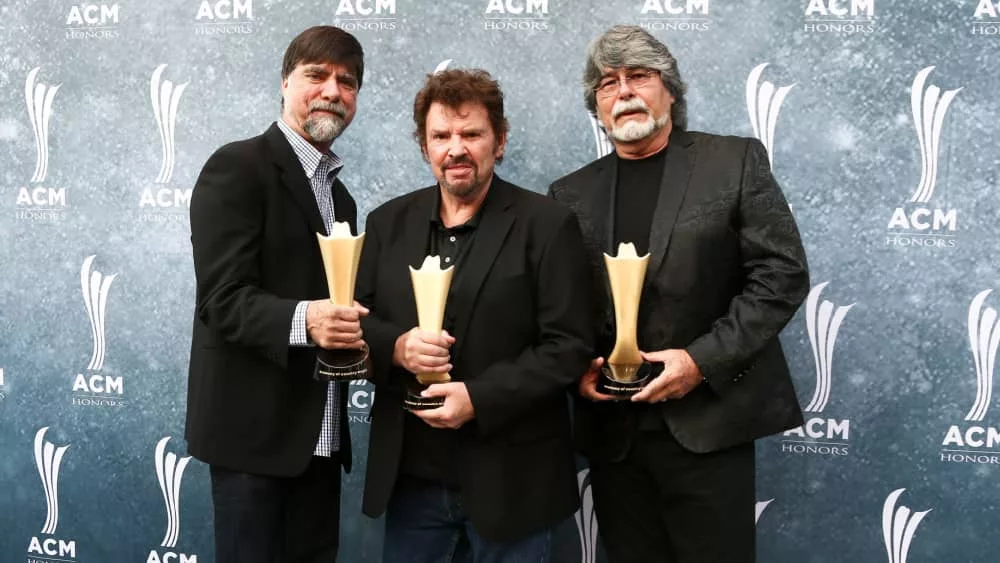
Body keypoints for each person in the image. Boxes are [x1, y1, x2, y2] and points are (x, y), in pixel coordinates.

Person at [549, 25, 810, 563]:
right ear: (596, 107)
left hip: (709, 427)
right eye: (606, 83)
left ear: (670, 89)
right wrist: (575, 369)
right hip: (615, 440)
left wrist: (698, 362)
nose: (623, 91)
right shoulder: (568, 194)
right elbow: (561, 306)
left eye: (638, 76)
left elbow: (780, 275)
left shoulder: (732, 162)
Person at [356, 68, 594, 563]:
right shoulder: (385, 224)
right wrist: (397, 347)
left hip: (515, 485)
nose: (455, 148)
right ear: (425, 146)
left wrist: (478, 399)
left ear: (500, 141)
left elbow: (568, 346)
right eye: (441, 135)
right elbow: (358, 324)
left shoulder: (547, 225)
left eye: (471, 134)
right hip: (411, 487)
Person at [185, 25, 368, 563]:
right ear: (286, 83)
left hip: (322, 441)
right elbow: (221, 300)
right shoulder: (237, 167)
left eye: (347, 81)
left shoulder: (344, 201)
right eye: (317, 76)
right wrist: (308, 320)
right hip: (253, 442)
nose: (333, 91)